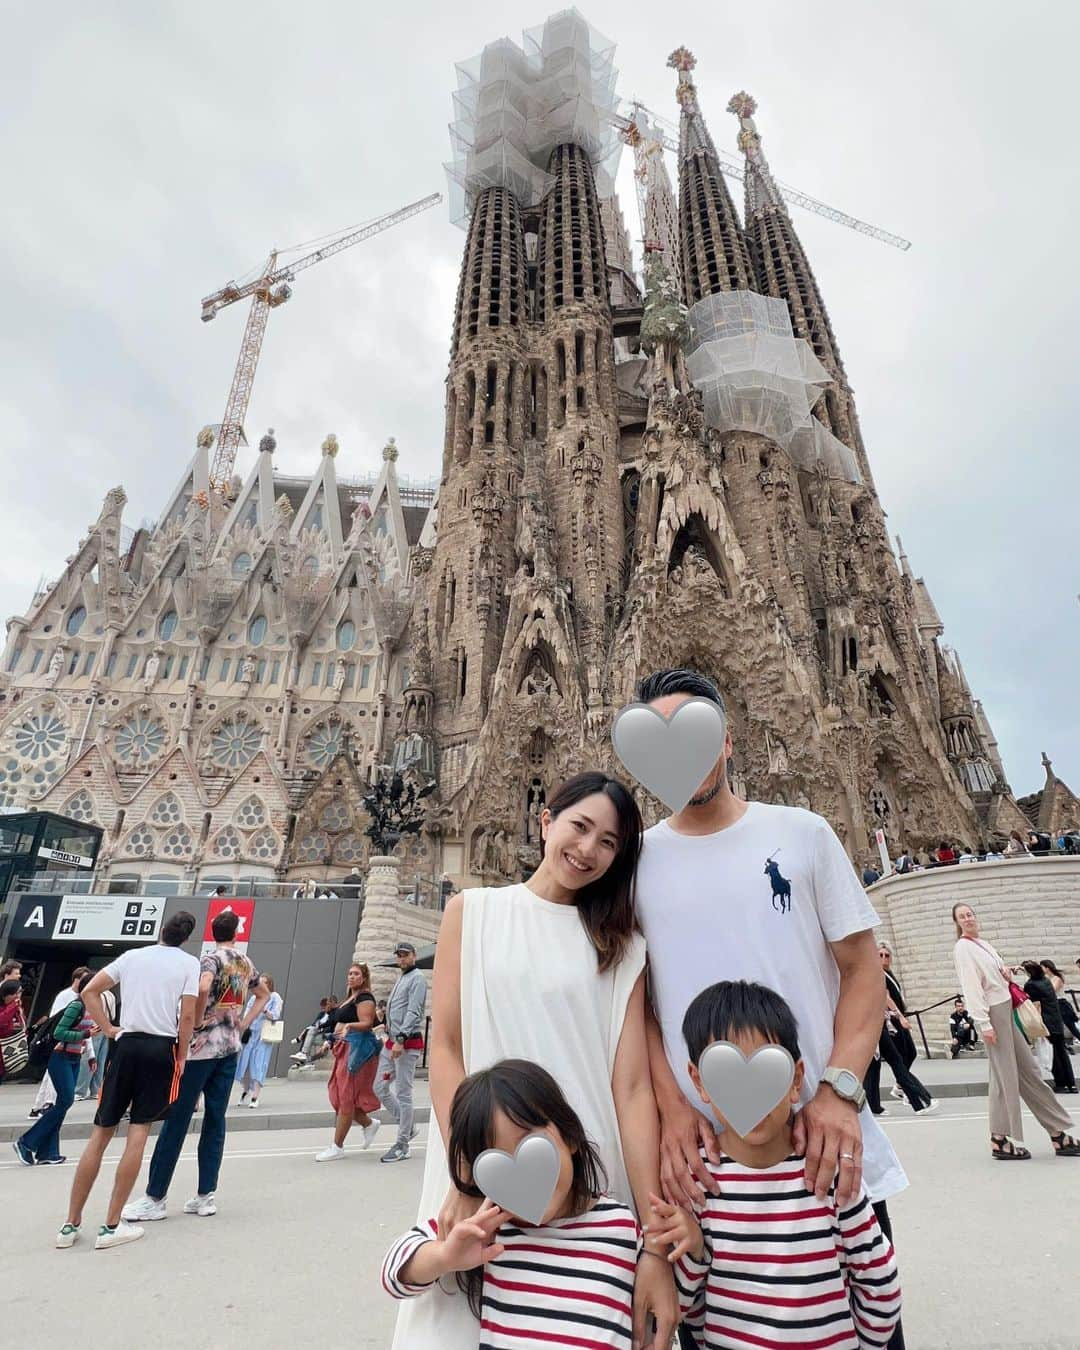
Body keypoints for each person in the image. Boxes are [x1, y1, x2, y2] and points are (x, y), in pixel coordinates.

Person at [630, 669, 907, 1350]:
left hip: (827, 1160)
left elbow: (862, 970)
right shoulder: (635, 863)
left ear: (726, 741)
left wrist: (840, 1092)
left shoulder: (803, 834)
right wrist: (670, 1109)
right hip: (706, 1176)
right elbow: (639, 1008)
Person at [391, 769, 677, 1350]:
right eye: (580, 826)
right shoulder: (471, 912)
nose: (588, 849)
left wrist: (651, 1239)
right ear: (546, 820)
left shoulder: (621, 946)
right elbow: (447, 1048)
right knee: (461, 1314)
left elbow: (632, 1089)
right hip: (483, 1156)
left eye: (609, 842)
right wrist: (464, 1168)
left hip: (586, 1174)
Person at [652, 980, 901, 1348]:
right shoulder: (696, 1180)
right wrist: (695, 1252)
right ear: (699, 1082)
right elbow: (686, 1310)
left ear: (795, 1078)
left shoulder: (827, 1170)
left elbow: (878, 1281)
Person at [382, 1059, 640, 1345]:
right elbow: (394, 1273)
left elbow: (672, 1302)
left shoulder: (621, 1224)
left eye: (529, 1144)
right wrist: (445, 1257)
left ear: (570, 1137)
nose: (525, 1177)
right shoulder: (487, 1228)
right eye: (496, 1161)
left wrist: (686, 1243)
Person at [54, 912, 200, 1251]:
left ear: (161, 930)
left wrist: (107, 1028)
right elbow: (188, 1015)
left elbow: (90, 991)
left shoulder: (132, 956)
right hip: (160, 1047)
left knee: (101, 1133)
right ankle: (110, 1226)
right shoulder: (188, 964)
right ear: (186, 938)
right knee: (138, 1132)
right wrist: (181, 1055)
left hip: (126, 1044)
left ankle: (69, 1224)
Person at [123, 908, 268, 1223]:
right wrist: (242, 1023)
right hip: (230, 1048)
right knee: (216, 1120)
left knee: (177, 1119)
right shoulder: (246, 962)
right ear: (236, 933)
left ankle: (155, 1196)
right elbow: (264, 994)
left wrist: (201, 1016)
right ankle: (205, 1195)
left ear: (212, 932)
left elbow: (203, 987)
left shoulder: (210, 960)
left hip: (202, 1049)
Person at [952, 904, 1080, 1159]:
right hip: (993, 1014)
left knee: (1029, 1072)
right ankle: (1000, 1138)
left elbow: (993, 978)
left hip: (1004, 1009)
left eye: (970, 914)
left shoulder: (981, 944)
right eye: (962, 916)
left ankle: (1057, 1132)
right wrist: (983, 1023)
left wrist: (1006, 973)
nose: (968, 918)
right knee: (1004, 1076)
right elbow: (972, 986)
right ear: (956, 922)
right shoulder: (963, 948)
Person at [13, 972, 95, 1166]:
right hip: (61, 1057)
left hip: (74, 1057)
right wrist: (85, 1034)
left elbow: (86, 1034)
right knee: (65, 1101)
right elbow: (60, 1032)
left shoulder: (90, 1006)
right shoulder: (76, 1005)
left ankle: (48, 1152)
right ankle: (27, 1142)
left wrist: (90, 1054)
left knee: (63, 1103)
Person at [314, 963, 382, 1161]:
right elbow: (339, 1023)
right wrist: (330, 1041)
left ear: (364, 977)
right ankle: (369, 1124)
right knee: (339, 1095)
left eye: (356, 974)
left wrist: (350, 1026)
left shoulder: (365, 997)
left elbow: (367, 1023)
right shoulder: (351, 997)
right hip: (344, 1048)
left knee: (345, 1096)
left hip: (356, 1050)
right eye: (350, 973)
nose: (351, 977)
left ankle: (337, 1146)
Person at [373, 942, 428, 1164]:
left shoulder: (417, 979)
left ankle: (402, 1144)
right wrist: (385, 1019)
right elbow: (401, 1008)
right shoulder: (403, 977)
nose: (402, 959)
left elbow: (414, 1011)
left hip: (405, 1044)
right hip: (392, 1041)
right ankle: (408, 1124)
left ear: (414, 956)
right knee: (379, 1086)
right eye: (399, 956)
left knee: (404, 1092)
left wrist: (401, 1039)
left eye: (405, 955)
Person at [27, 966, 91, 1119]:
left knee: (51, 1077)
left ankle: (39, 1107)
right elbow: (57, 1022)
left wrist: (90, 1052)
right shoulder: (70, 998)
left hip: (70, 1046)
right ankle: (47, 1104)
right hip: (60, 1045)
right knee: (57, 1082)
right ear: (77, 980)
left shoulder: (81, 1001)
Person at [1021, 961, 1077, 1094]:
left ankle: (1061, 1083)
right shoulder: (1046, 981)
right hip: (1056, 1020)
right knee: (1062, 1053)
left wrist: (1037, 1025)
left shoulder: (1030, 985)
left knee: (1053, 1054)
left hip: (1046, 1022)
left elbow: (1036, 1006)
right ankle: (1071, 1084)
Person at [235, 974, 283, 1107]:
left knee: (259, 1064)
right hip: (251, 1033)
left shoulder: (274, 997)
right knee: (244, 1064)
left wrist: (264, 1009)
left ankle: (255, 1096)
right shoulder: (253, 998)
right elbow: (247, 1014)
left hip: (264, 1035)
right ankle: (245, 1090)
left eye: (265, 983)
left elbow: (275, 1016)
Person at [74, 987, 116, 1101]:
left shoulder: (93, 994)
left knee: (89, 1059)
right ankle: (96, 1090)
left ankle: (80, 1090)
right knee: (101, 1060)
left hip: (93, 1027)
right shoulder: (110, 995)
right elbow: (113, 1015)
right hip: (106, 1028)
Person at [289, 996, 338, 1065]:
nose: (325, 1009)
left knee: (309, 1034)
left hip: (329, 1035)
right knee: (310, 1031)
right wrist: (317, 1027)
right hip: (321, 1033)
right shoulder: (325, 1013)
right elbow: (315, 1023)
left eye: (328, 1004)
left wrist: (320, 1027)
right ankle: (303, 1055)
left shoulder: (335, 1012)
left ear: (331, 1003)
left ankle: (304, 1057)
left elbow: (330, 1024)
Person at [1041, 960, 1080, 1046]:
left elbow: (1053, 991)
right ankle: (1062, 1045)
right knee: (1058, 1026)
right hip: (1054, 1004)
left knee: (1070, 1026)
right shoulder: (1048, 978)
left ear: (1047, 968)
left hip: (1061, 1004)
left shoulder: (1057, 978)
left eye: (1042, 967)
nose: (1041, 969)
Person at [0, 978, 27, 1085]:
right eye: (16, 993)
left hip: (7, 1054)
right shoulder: (8, 1007)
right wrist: (13, 1006)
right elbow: (1, 1021)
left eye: (20, 992)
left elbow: (22, 1026)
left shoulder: (16, 1008)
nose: (18, 996)